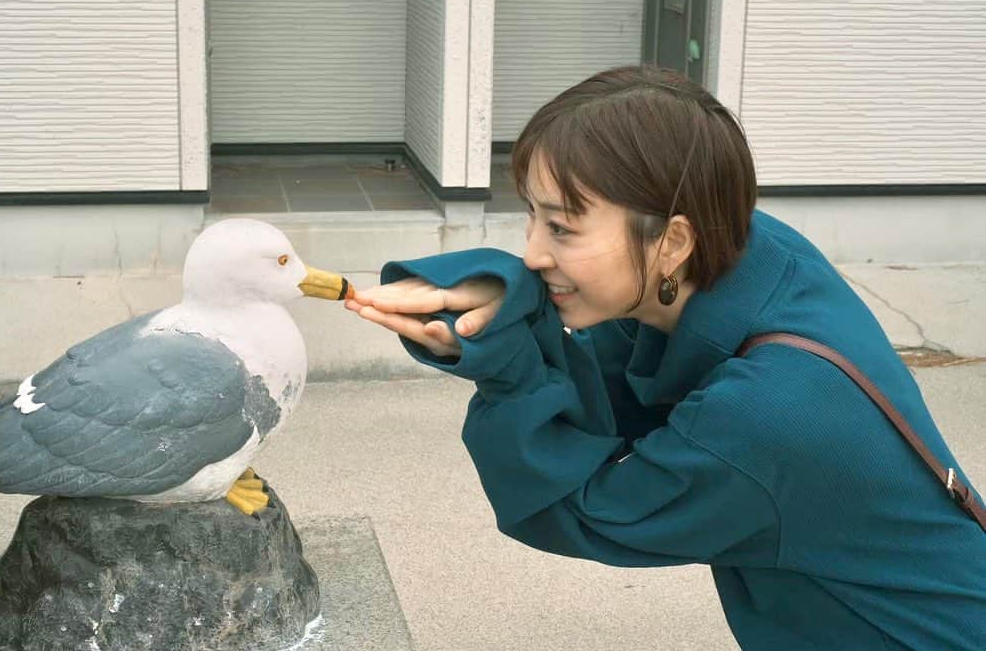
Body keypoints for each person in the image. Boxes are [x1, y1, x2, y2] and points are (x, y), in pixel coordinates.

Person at [344, 65, 986, 649]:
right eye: (531, 220)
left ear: (675, 239)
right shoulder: (754, 253)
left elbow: (580, 509)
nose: (534, 252)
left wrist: (510, 367)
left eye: (562, 227)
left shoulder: (769, 412)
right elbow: (605, 379)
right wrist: (508, 301)